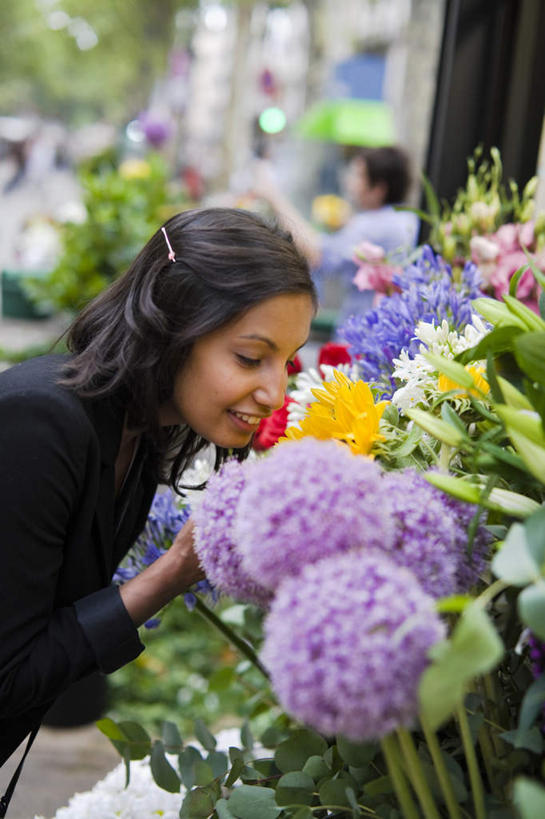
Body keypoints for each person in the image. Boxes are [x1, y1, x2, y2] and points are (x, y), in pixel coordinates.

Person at [0, 208, 316, 797]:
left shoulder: (135, 432)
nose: (275, 393)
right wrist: (173, 570)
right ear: (172, 331)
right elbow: (9, 676)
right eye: (251, 358)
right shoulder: (41, 424)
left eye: (288, 361)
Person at [252, 145, 419, 331]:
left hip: (365, 333)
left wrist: (273, 196)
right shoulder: (408, 219)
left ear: (378, 188)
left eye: (358, 175)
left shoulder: (374, 224)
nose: (349, 182)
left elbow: (316, 253)